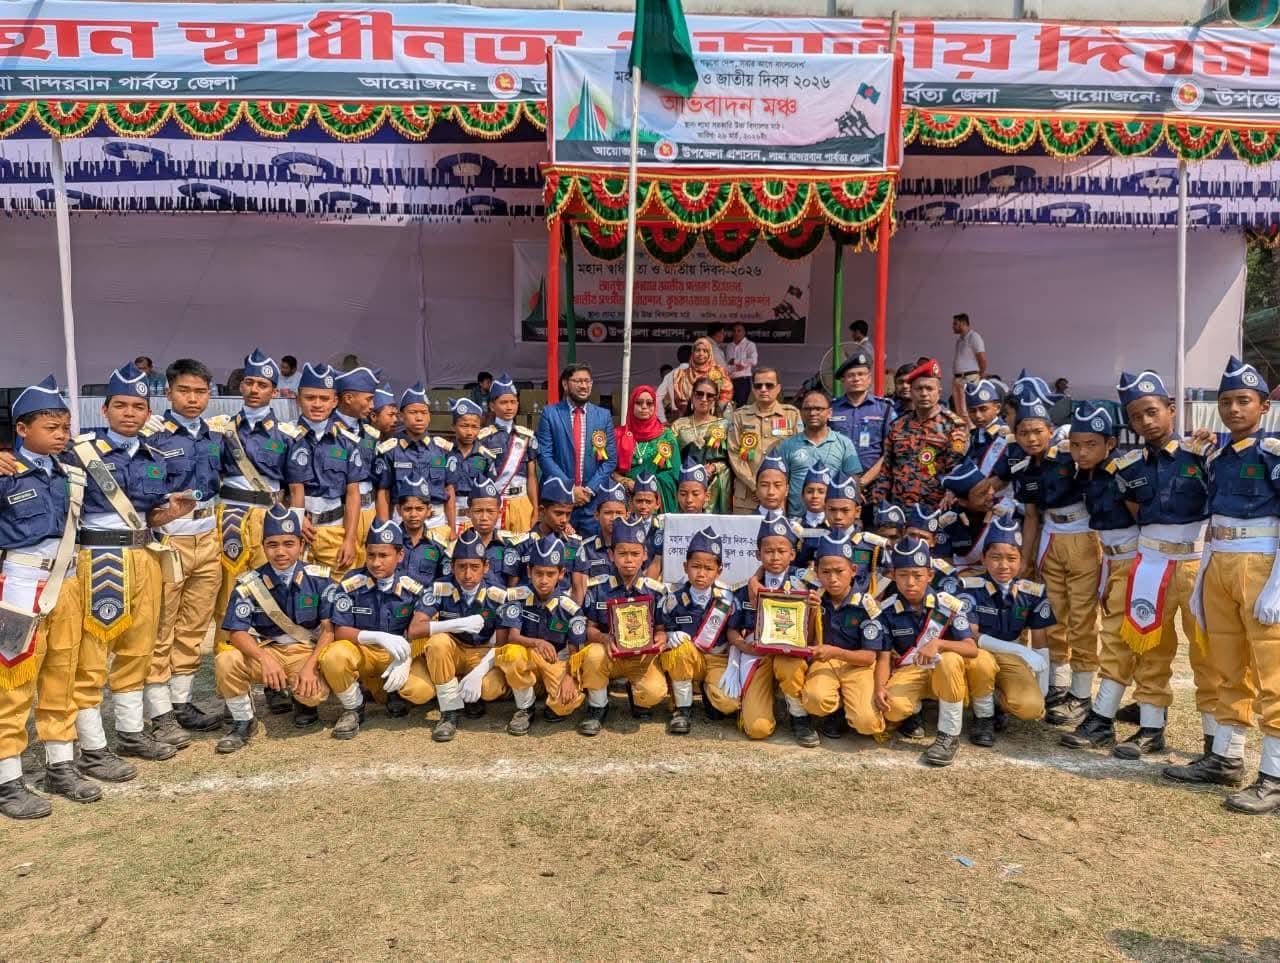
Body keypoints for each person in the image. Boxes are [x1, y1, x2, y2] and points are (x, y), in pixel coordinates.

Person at [66, 362, 196, 778]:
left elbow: (147, 516)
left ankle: (129, 730)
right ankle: (91, 746)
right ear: (103, 410)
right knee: (91, 657)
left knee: (138, 649)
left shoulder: (154, 455)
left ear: (147, 412)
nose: (130, 413)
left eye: (138, 406)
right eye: (120, 405)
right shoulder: (80, 451)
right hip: (97, 561)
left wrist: (171, 513)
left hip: (144, 557)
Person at [1165, 357, 1280, 813]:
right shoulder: (1216, 454)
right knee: (1226, 667)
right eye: (1227, 401)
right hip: (1219, 562)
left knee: (1272, 672)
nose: (1233, 408)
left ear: (1263, 406)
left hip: (1261, 564)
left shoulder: (1273, 452)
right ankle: (1226, 758)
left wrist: (1277, 586)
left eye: (1243, 401)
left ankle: (1273, 775)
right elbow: (1214, 520)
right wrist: (1202, 581)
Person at [0, 377, 100, 817]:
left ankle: (60, 764)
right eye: (51, 427)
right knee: (15, 682)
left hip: (69, 582)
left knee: (63, 669)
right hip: (21, 585)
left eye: (65, 426)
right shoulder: (4, 472)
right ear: (22, 430)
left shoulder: (70, 473)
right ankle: (7, 779)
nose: (62, 434)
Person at [1109, 370, 1214, 760]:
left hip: (1193, 562)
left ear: (1171, 409)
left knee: (1208, 651)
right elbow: (1137, 511)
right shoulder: (1129, 465)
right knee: (1150, 646)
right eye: (1136, 417)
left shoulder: (1200, 454)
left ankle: (1214, 740)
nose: (1145, 422)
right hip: (1151, 561)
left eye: (1152, 412)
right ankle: (1151, 728)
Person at [142, 359, 226, 747]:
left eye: (200, 392)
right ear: (168, 393)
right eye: (184, 391)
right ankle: (159, 711)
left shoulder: (215, 435)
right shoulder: (152, 436)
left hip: (208, 535)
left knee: (194, 626)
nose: (193, 399)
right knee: (163, 626)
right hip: (168, 539)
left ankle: (181, 702)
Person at [1006, 393, 1101, 729]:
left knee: (1083, 617)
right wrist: (1026, 560)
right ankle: (1058, 687)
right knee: (1054, 614)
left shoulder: (1069, 457)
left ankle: (1082, 692)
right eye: (1024, 433)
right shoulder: (1023, 469)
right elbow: (1031, 516)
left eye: (1037, 431)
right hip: (1050, 537)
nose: (1031, 439)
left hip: (1084, 536)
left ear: (1050, 430)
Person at [214, 504, 334, 753]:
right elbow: (236, 632)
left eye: (288, 544)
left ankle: (304, 705)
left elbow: (329, 630)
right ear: (264, 546)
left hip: (304, 651)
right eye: (273, 544)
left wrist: (311, 666)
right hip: (267, 650)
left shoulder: (320, 579)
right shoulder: (249, 583)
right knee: (226, 660)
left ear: (301, 545)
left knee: (313, 693)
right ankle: (243, 721)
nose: (281, 552)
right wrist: (263, 658)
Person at [1061, 404, 1145, 755]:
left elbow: (1142, 520)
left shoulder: (1122, 472)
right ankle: (1149, 711)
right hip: (1108, 559)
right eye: (1076, 444)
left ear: (1110, 443)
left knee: (1116, 638)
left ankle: (1101, 719)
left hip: (1132, 559)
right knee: (1120, 636)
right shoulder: (1086, 472)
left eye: (1091, 444)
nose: (1082, 452)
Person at [211, 350, 300, 656]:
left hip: (270, 516)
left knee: (271, 590)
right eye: (249, 382)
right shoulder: (221, 429)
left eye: (262, 385)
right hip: (231, 515)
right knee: (230, 591)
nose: (253, 390)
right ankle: (227, 663)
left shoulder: (287, 435)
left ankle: (272, 664)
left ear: (274, 391)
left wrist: (297, 525)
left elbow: (294, 487)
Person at [867, 536, 978, 767]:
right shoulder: (887, 611)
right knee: (892, 710)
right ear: (893, 576)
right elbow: (884, 656)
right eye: (903, 575)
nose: (910, 582)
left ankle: (948, 735)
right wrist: (879, 688)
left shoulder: (947, 605)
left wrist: (939, 644)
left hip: (945, 670)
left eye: (917, 576)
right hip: (914, 670)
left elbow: (971, 648)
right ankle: (915, 709)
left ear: (930, 575)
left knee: (949, 661)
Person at [320, 519, 436, 738]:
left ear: (399, 556)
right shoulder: (352, 582)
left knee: (421, 691)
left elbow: (422, 629)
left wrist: (407, 657)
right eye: (371, 555)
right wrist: (379, 636)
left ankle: (387, 691)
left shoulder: (414, 587)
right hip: (362, 650)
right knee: (333, 657)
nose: (376, 563)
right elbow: (340, 630)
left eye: (384, 556)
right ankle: (353, 707)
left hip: (398, 654)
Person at [957, 516, 1053, 748]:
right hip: (977, 653)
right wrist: (1020, 649)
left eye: (1011, 558)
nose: (1004, 565)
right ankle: (984, 718)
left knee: (1031, 707)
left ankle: (996, 701)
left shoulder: (1033, 592)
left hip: (1010, 656)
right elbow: (973, 637)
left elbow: (1040, 641)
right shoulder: (969, 588)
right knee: (982, 664)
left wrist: (1043, 687)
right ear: (984, 558)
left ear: (1021, 560)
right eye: (996, 558)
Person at [725, 517, 819, 745]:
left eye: (781, 551)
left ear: (792, 555)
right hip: (756, 654)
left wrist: (815, 611)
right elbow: (732, 630)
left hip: (790, 654)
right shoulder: (745, 589)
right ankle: (761, 705)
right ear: (758, 555)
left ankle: (799, 715)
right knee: (757, 729)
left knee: (789, 665)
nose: (775, 557)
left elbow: (814, 634)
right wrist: (743, 646)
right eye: (768, 551)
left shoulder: (806, 585)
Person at [576, 516, 669, 736]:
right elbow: (589, 628)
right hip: (610, 653)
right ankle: (598, 706)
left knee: (654, 692)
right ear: (611, 555)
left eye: (635, 554)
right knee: (593, 655)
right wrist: (603, 638)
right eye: (622, 553)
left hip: (640, 658)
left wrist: (661, 638)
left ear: (645, 555)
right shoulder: (598, 588)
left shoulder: (655, 592)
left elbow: (661, 629)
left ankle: (636, 694)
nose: (629, 560)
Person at [420, 529, 509, 742]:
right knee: (437, 642)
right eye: (461, 567)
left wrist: (478, 673)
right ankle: (449, 711)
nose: (468, 575)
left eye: (474, 567)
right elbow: (415, 629)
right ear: (452, 567)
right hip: (455, 651)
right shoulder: (441, 588)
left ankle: (470, 691)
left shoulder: (498, 594)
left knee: (490, 689)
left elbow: (503, 643)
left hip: (484, 654)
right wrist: (459, 624)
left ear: (486, 567)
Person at [495, 533, 588, 734]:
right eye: (538, 573)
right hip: (528, 654)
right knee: (512, 652)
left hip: (557, 658)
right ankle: (525, 708)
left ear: (561, 573)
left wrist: (570, 677)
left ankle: (544, 692)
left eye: (550, 574)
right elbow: (512, 636)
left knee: (566, 703)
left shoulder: (570, 609)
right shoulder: (518, 596)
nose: (544, 580)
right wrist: (537, 642)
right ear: (529, 571)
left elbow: (575, 651)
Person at [800, 531, 886, 741]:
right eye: (826, 572)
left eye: (839, 571)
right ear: (817, 573)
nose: (833, 579)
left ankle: (850, 706)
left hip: (857, 665)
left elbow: (869, 657)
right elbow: (808, 642)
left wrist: (836, 652)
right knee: (814, 699)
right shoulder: (814, 599)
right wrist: (812, 613)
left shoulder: (866, 605)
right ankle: (836, 706)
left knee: (867, 724)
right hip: (825, 662)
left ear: (853, 570)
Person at [286, 362, 366, 578]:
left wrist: (349, 540)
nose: (317, 404)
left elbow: (353, 494)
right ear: (298, 399)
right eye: (310, 398)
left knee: (339, 593)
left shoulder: (348, 442)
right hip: (294, 531)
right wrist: (296, 516)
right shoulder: (285, 437)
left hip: (334, 530)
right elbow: (272, 487)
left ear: (334, 401)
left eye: (324, 398)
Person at [658, 527, 737, 735]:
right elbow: (663, 628)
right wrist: (669, 635)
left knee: (728, 704)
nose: (701, 573)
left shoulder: (728, 599)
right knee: (679, 648)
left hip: (717, 659)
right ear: (685, 567)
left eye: (708, 568)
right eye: (695, 566)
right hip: (689, 658)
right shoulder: (673, 598)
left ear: (719, 570)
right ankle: (683, 709)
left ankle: (708, 693)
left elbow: (736, 633)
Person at [534, 363, 617, 539]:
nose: (584, 386)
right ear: (565, 384)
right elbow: (544, 456)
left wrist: (589, 490)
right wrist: (570, 489)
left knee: (591, 554)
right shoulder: (550, 413)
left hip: (591, 501)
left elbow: (609, 460)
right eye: (578, 381)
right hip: (559, 501)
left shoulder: (603, 415)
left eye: (587, 381)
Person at [874, 359, 969, 511]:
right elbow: (886, 470)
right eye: (919, 389)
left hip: (934, 509)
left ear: (939, 391)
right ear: (911, 391)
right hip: (898, 508)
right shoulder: (898, 425)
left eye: (929, 388)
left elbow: (956, 470)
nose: (924, 394)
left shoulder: (953, 425)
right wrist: (880, 503)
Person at [373, 383, 457, 535]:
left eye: (424, 412)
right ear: (401, 416)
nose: (419, 417)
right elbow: (383, 492)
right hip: (402, 522)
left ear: (430, 416)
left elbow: (449, 489)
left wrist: (452, 528)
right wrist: (385, 530)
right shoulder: (390, 450)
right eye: (413, 412)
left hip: (436, 523)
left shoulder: (442, 449)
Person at [775, 388, 862, 518]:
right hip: (796, 519)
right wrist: (781, 517)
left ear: (829, 413)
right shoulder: (787, 445)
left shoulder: (844, 443)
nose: (812, 413)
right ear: (801, 413)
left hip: (833, 520)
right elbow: (780, 483)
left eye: (818, 409)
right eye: (807, 409)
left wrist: (855, 517)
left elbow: (853, 480)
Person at [727, 367, 801, 513]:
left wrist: (778, 487)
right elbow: (734, 453)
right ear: (753, 389)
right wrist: (756, 485)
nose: (763, 389)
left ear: (778, 388)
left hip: (779, 496)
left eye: (769, 385)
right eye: (758, 385)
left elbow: (799, 454)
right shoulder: (740, 416)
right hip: (748, 495)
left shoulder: (791, 415)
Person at [333, 366, 383, 566]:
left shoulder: (370, 434)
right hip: (341, 514)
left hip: (369, 511)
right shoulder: (328, 431)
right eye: (369, 399)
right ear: (348, 398)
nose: (373, 405)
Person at [828, 350, 892, 506]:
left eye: (861, 374)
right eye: (851, 375)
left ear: (869, 378)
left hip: (875, 484)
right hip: (837, 482)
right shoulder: (831, 408)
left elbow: (889, 451)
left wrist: (862, 482)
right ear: (843, 380)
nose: (856, 378)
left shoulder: (884, 408)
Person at [480, 373, 539, 534]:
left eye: (513, 402)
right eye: (503, 402)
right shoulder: (483, 438)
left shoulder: (527, 436)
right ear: (492, 406)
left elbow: (532, 476)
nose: (509, 407)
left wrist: (535, 509)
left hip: (522, 502)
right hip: (494, 503)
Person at [614, 386, 680, 515]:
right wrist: (625, 481)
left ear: (655, 406)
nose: (644, 407)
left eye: (649, 403)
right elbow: (609, 470)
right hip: (625, 499)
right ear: (631, 405)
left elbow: (674, 472)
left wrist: (649, 485)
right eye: (639, 403)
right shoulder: (618, 434)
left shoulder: (667, 435)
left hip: (655, 501)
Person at [671, 377, 732, 513]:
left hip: (716, 484)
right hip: (687, 487)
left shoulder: (724, 425)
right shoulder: (679, 425)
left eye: (710, 396)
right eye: (700, 394)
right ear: (692, 397)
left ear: (715, 400)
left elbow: (732, 459)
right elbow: (671, 460)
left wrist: (714, 467)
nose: (704, 399)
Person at [448, 398, 495, 529]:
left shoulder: (485, 457)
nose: (469, 432)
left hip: (476, 518)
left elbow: (490, 489)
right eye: (464, 426)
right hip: (447, 517)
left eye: (475, 427)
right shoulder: (443, 454)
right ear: (453, 427)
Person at [671, 337, 733, 417]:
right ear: (693, 353)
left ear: (710, 353)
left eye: (705, 351)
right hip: (688, 416)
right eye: (698, 350)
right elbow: (678, 398)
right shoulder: (682, 374)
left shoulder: (718, 372)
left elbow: (726, 394)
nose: (701, 354)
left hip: (714, 416)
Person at [950, 313, 987, 421]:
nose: (953, 326)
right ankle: (964, 435)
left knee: (968, 409)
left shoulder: (974, 337)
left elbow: (982, 358)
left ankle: (971, 434)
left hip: (969, 377)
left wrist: (981, 375)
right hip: (958, 378)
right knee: (960, 410)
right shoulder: (959, 340)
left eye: (955, 324)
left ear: (963, 323)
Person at [656, 345, 693, 423]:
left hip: (676, 419)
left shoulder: (669, 375)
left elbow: (657, 399)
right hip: (694, 418)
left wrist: (663, 420)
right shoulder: (699, 374)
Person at [726, 322, 758, 407]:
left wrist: (736, 362)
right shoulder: (729, 346)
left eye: (739, 331)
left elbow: (754, 361)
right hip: (730, 379)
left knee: (741, 406)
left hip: (743, 380)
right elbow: (728, 363)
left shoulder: (750, 345)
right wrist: (741, 363)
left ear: (744, 332)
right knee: (729, 406)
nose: (736, 333)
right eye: (734, 331)